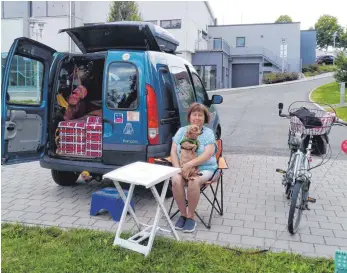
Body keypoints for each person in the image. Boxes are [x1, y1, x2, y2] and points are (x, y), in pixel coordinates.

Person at [170, 102, 218, 233]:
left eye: (200, 115)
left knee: (193, 181)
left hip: (205, 168)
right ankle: (183, 214)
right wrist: (177, 169)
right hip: (182, 168)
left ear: (205, 118)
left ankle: (191, 216)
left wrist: (190, 164)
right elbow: (173, 151)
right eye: (194, 114)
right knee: (175, 180)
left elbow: (208, 154)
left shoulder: (208, 133)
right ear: (189, 117)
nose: (197, 118)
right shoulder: (181, 131)